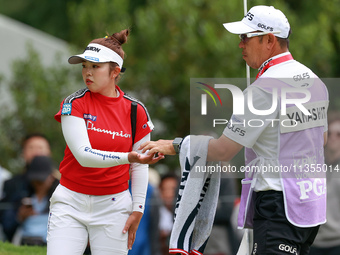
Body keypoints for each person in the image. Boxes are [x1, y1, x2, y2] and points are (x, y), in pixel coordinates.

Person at [140, 5, 328, 255]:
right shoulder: (314, 80)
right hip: (310, 205)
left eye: (245, 37)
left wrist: (175, 145)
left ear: (269, 40)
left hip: (277, 204)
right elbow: (321, 139)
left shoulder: (262, 89)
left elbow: (223, 150)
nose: (240, 44)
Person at [47, 29, 163, 255]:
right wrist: (127, 157)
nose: (87, 73)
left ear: (115, 72)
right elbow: (83, 155)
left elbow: (140, 165)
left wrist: (138, 208)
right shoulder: (74, 103)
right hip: (70, 202)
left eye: (95, 67)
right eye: (84, 66)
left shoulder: (136, 111)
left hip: (114, 206)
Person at [0, 133, 52, 242]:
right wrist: (19, 216)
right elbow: (5, 222)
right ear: (23, 153)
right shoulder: (12, 184)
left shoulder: (60, 184)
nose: (36, 152)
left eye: (40, 147)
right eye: (31, 147)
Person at [309, 116, 340, 255]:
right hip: (313, 241)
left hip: (337, 242)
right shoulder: (311, 165)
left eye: (339, 134)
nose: (333, 138)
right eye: (330, 133)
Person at [12, 156, 59, 246]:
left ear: (51, 178)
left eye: (41, 181)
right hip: (25, 240)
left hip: (47, 241)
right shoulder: (24, 195)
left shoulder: (58, 198)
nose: (37, 184)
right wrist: (20, 217)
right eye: (35, 180)